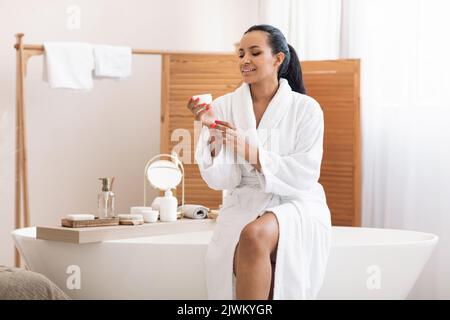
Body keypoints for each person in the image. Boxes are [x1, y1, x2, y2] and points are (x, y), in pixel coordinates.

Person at [187, 24, 331, 300]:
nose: (245, 61)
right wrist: (210, 132)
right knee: (243, 248)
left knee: (252, 236)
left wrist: (250, 151)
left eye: (254, 52)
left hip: (296, 202)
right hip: (245, 200)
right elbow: (222, 180)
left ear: (278, 59)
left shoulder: (306, 109)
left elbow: (305, 174)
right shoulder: (223, 106)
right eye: (240, 54)